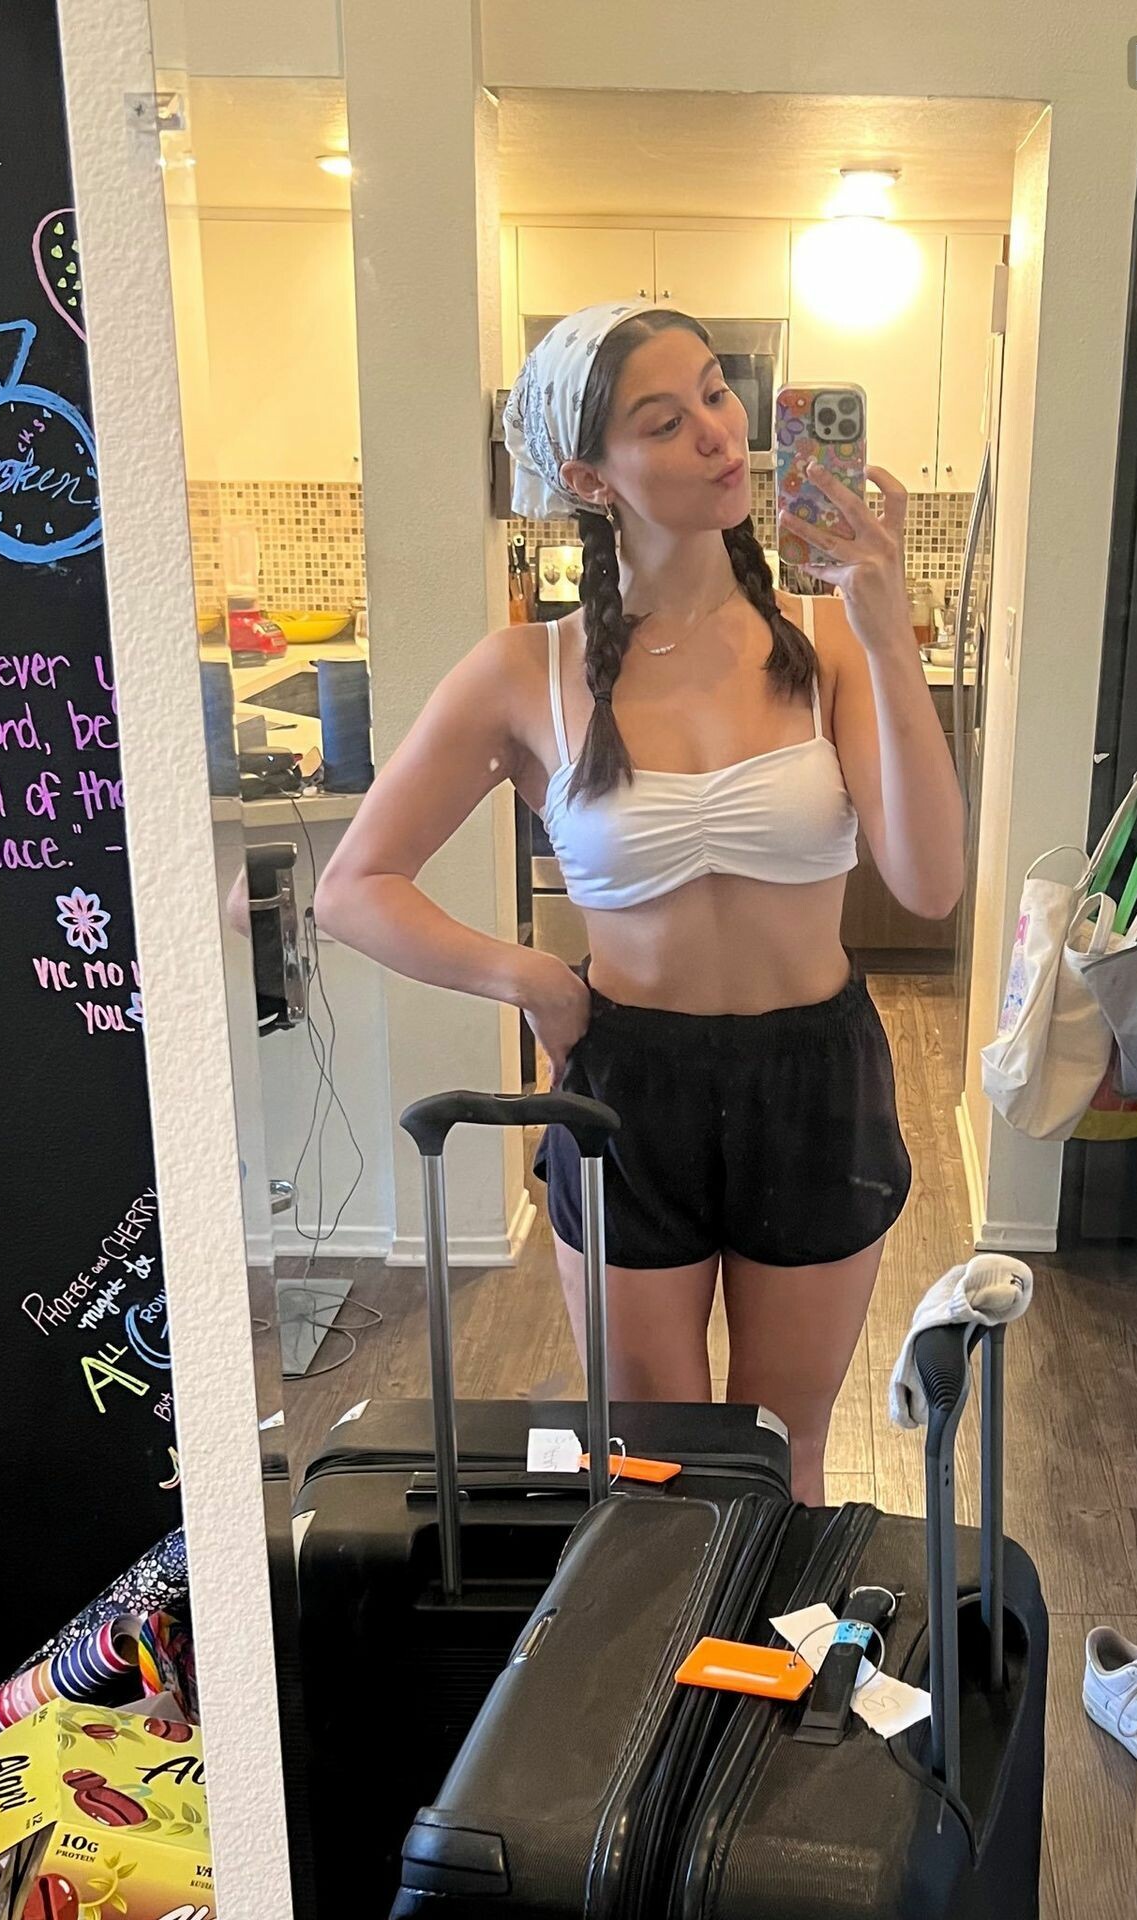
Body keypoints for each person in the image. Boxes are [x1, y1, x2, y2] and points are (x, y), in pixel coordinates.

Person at [314, 299, 964, 1503]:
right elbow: (353, 888)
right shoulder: (527, 671)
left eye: (716, 395)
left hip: (814, 1082)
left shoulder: (826, 641)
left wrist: (887, 641)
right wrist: (527, 975)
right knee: (659, 1461)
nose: (718, 433)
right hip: (627, 1092)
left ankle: (773, 1638)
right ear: (587, 477)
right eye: (665, 422)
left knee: (784, 1447)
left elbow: (931, 884)